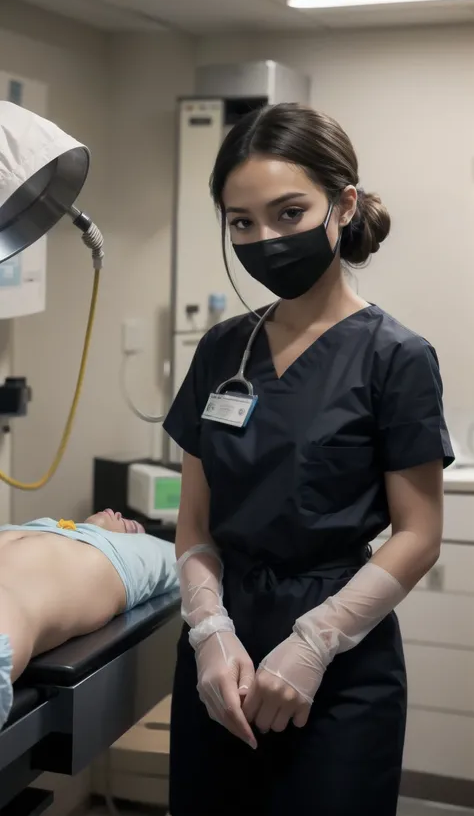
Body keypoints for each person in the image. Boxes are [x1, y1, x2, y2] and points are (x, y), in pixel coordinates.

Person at [163, 102, 454, 816]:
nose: (265, 238)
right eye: (242, 222)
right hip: (219, 660)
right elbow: (194, 519)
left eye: (289, 212)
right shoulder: (220, 350)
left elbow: (418, 535)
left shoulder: (396, 356)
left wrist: (315, 643)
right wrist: (208, 630)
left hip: (339, 656)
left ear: (343, 204)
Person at [0, 509, 178, 730]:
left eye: (130, 524)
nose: (118, 513)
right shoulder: (36, 528)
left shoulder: (123, 551)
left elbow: (189, 561)